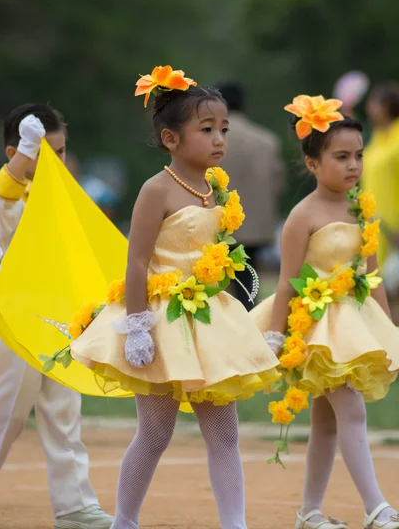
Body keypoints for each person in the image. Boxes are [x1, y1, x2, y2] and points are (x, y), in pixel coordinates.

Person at [67, 65, 280, 529]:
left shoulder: (217, 190)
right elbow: (137, 263)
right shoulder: (156, 189)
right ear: (170, 139)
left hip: (208, 322)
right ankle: (124, 520)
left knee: (225, 435)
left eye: (223, 128)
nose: (220, 138)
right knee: (155, 433)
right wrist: (138, 327)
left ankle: (234, 524)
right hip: (162, 321)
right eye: (206, 130)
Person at [250, 95, 399, 529]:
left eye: (358, 156)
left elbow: (371, 279)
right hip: (316, 330)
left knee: (328, 423)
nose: (353, 165)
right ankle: (377, 508)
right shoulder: (303, 215)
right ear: (313, 163)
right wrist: (275, 336)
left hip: (355, 326)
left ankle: (308, 512)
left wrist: (388, 331)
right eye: (341, 157)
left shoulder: (362, 210)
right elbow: (285, 281)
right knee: (351, 411)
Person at [0, 104, 113, 529]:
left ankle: (75, 506)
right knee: (7, 413)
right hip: (14, 320)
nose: (56, 162)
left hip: (57, 316)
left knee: (64, 410)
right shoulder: (8, 190)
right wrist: (29, 151)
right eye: (44, 153)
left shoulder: (66, 196)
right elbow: (6, 191)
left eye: (60, 152)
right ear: (15, 151)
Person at [217, 81, 285, 309]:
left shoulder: (213, 139)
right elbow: (279, 184)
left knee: (218, 288)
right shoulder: (267, 140)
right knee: (248, 286)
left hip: (220, 226)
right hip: (256, 228)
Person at [363, 82, 399, 267]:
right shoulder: (377, 137)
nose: (368, 109)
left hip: (393, 224)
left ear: (387, 106)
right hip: (373, 220)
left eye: (373, 103)